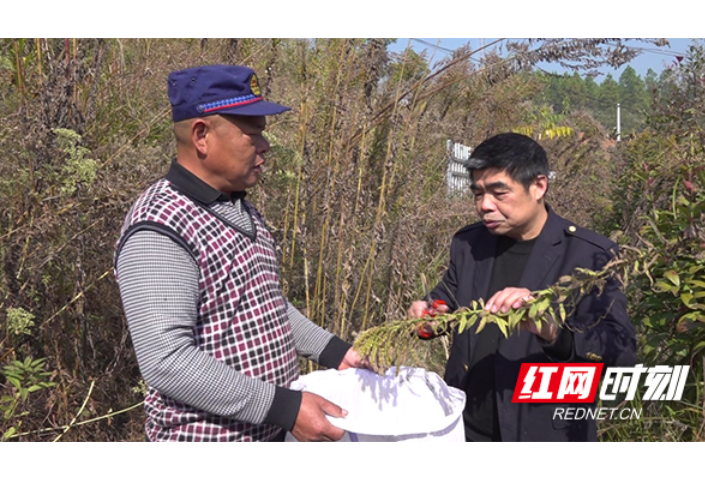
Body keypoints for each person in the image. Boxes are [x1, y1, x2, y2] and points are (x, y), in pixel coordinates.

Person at [114, 64, 369, 442]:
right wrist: (286, 407)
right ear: (202, 135)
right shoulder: (161, 226)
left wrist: (336, 352)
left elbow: (266, 305)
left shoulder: (240, 209)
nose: (265, 146)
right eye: (253, 133)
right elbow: (167, 361)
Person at [408, 132, 635, 442]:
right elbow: (445, 300)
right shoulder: (469, 244)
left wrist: (553, 331)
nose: (485, 205)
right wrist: (426, 318)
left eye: (499, 192)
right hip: (464, 429)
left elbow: (619, 353)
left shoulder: (590, 255)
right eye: (478, 193)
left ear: (538, 186)